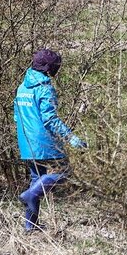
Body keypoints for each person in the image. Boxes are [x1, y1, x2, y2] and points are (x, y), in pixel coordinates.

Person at [14, 49, 87, 232]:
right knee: (66, 172)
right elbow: (50, 120)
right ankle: (29, 195)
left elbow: (17, 117)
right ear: (49, 68)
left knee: (36, 179)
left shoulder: (21, 88)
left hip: (25, 141)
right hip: (44, 141)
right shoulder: (45, 88)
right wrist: (71, 138)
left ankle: (30, 226)